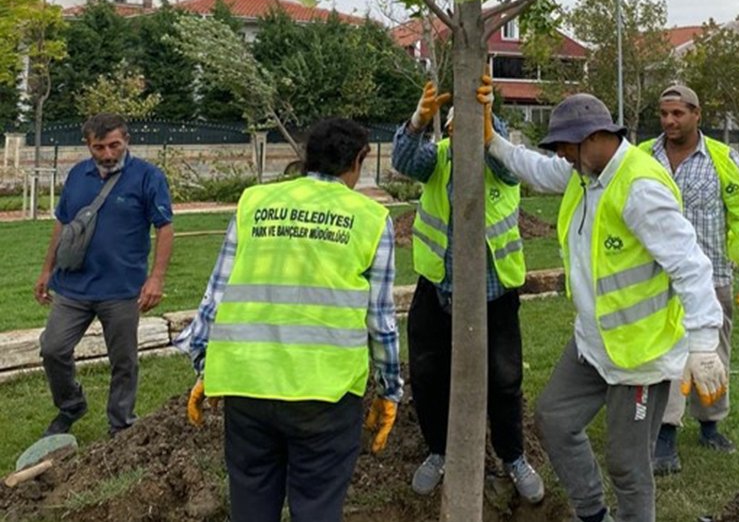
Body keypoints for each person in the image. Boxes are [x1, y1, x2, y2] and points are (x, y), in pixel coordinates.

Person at [484, 88, 728, 522]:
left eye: (566, 146)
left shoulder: (640, 188)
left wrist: (704, 344)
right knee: (554, 418)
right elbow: (538, 171)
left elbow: (690, 266)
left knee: (628, 465)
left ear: (595, 136)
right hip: (593, 343)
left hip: (640, 355)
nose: (561, 155)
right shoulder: (584, 173)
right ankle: (593, 516)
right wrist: (493, 142)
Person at [174, 118, 403, 522]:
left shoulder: (254, 203)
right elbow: (380, 320)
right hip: (325, 394)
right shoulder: (369, 218)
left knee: (251, 506)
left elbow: (218, 292)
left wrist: (204, 363)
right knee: (316, 507)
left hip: (248, 385)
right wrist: (389, 390)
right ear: (358, 160)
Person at [392, 79, 544, 503]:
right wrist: (420, 119)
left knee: (504, 378)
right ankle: (439, 452)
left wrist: (489, 125)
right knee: (427, 374)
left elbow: (511, 167)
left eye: (472, 127)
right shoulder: (438, 160)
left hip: (494, 295)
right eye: (456, 127)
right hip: (437, 290)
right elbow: (405, 160)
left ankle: (513, 457)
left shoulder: (500, 163)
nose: (461, 134)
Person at [639, 84, 739, 475]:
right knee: (668, 355)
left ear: (697, 114)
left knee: (714, 353)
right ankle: (665, 433)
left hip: (711, 277)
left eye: (677, 113)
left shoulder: (723, 159)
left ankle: (711, 424)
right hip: (657, 279)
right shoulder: (643, 157)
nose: (669, 121)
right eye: (663, 114)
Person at [34, 113, 174, 438]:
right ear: (88, 145)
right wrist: (46, 270)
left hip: (122, 288)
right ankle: (71, 404)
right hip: (74, 286)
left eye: (115, 145)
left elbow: (164, 227)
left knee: (123, 361)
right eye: (99, 147)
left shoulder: (147, 176)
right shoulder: (77, 175)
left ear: (127, 140)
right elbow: (63, 223)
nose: (108, 154)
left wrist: (156, 278)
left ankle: (121, 424)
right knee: (53, 348)